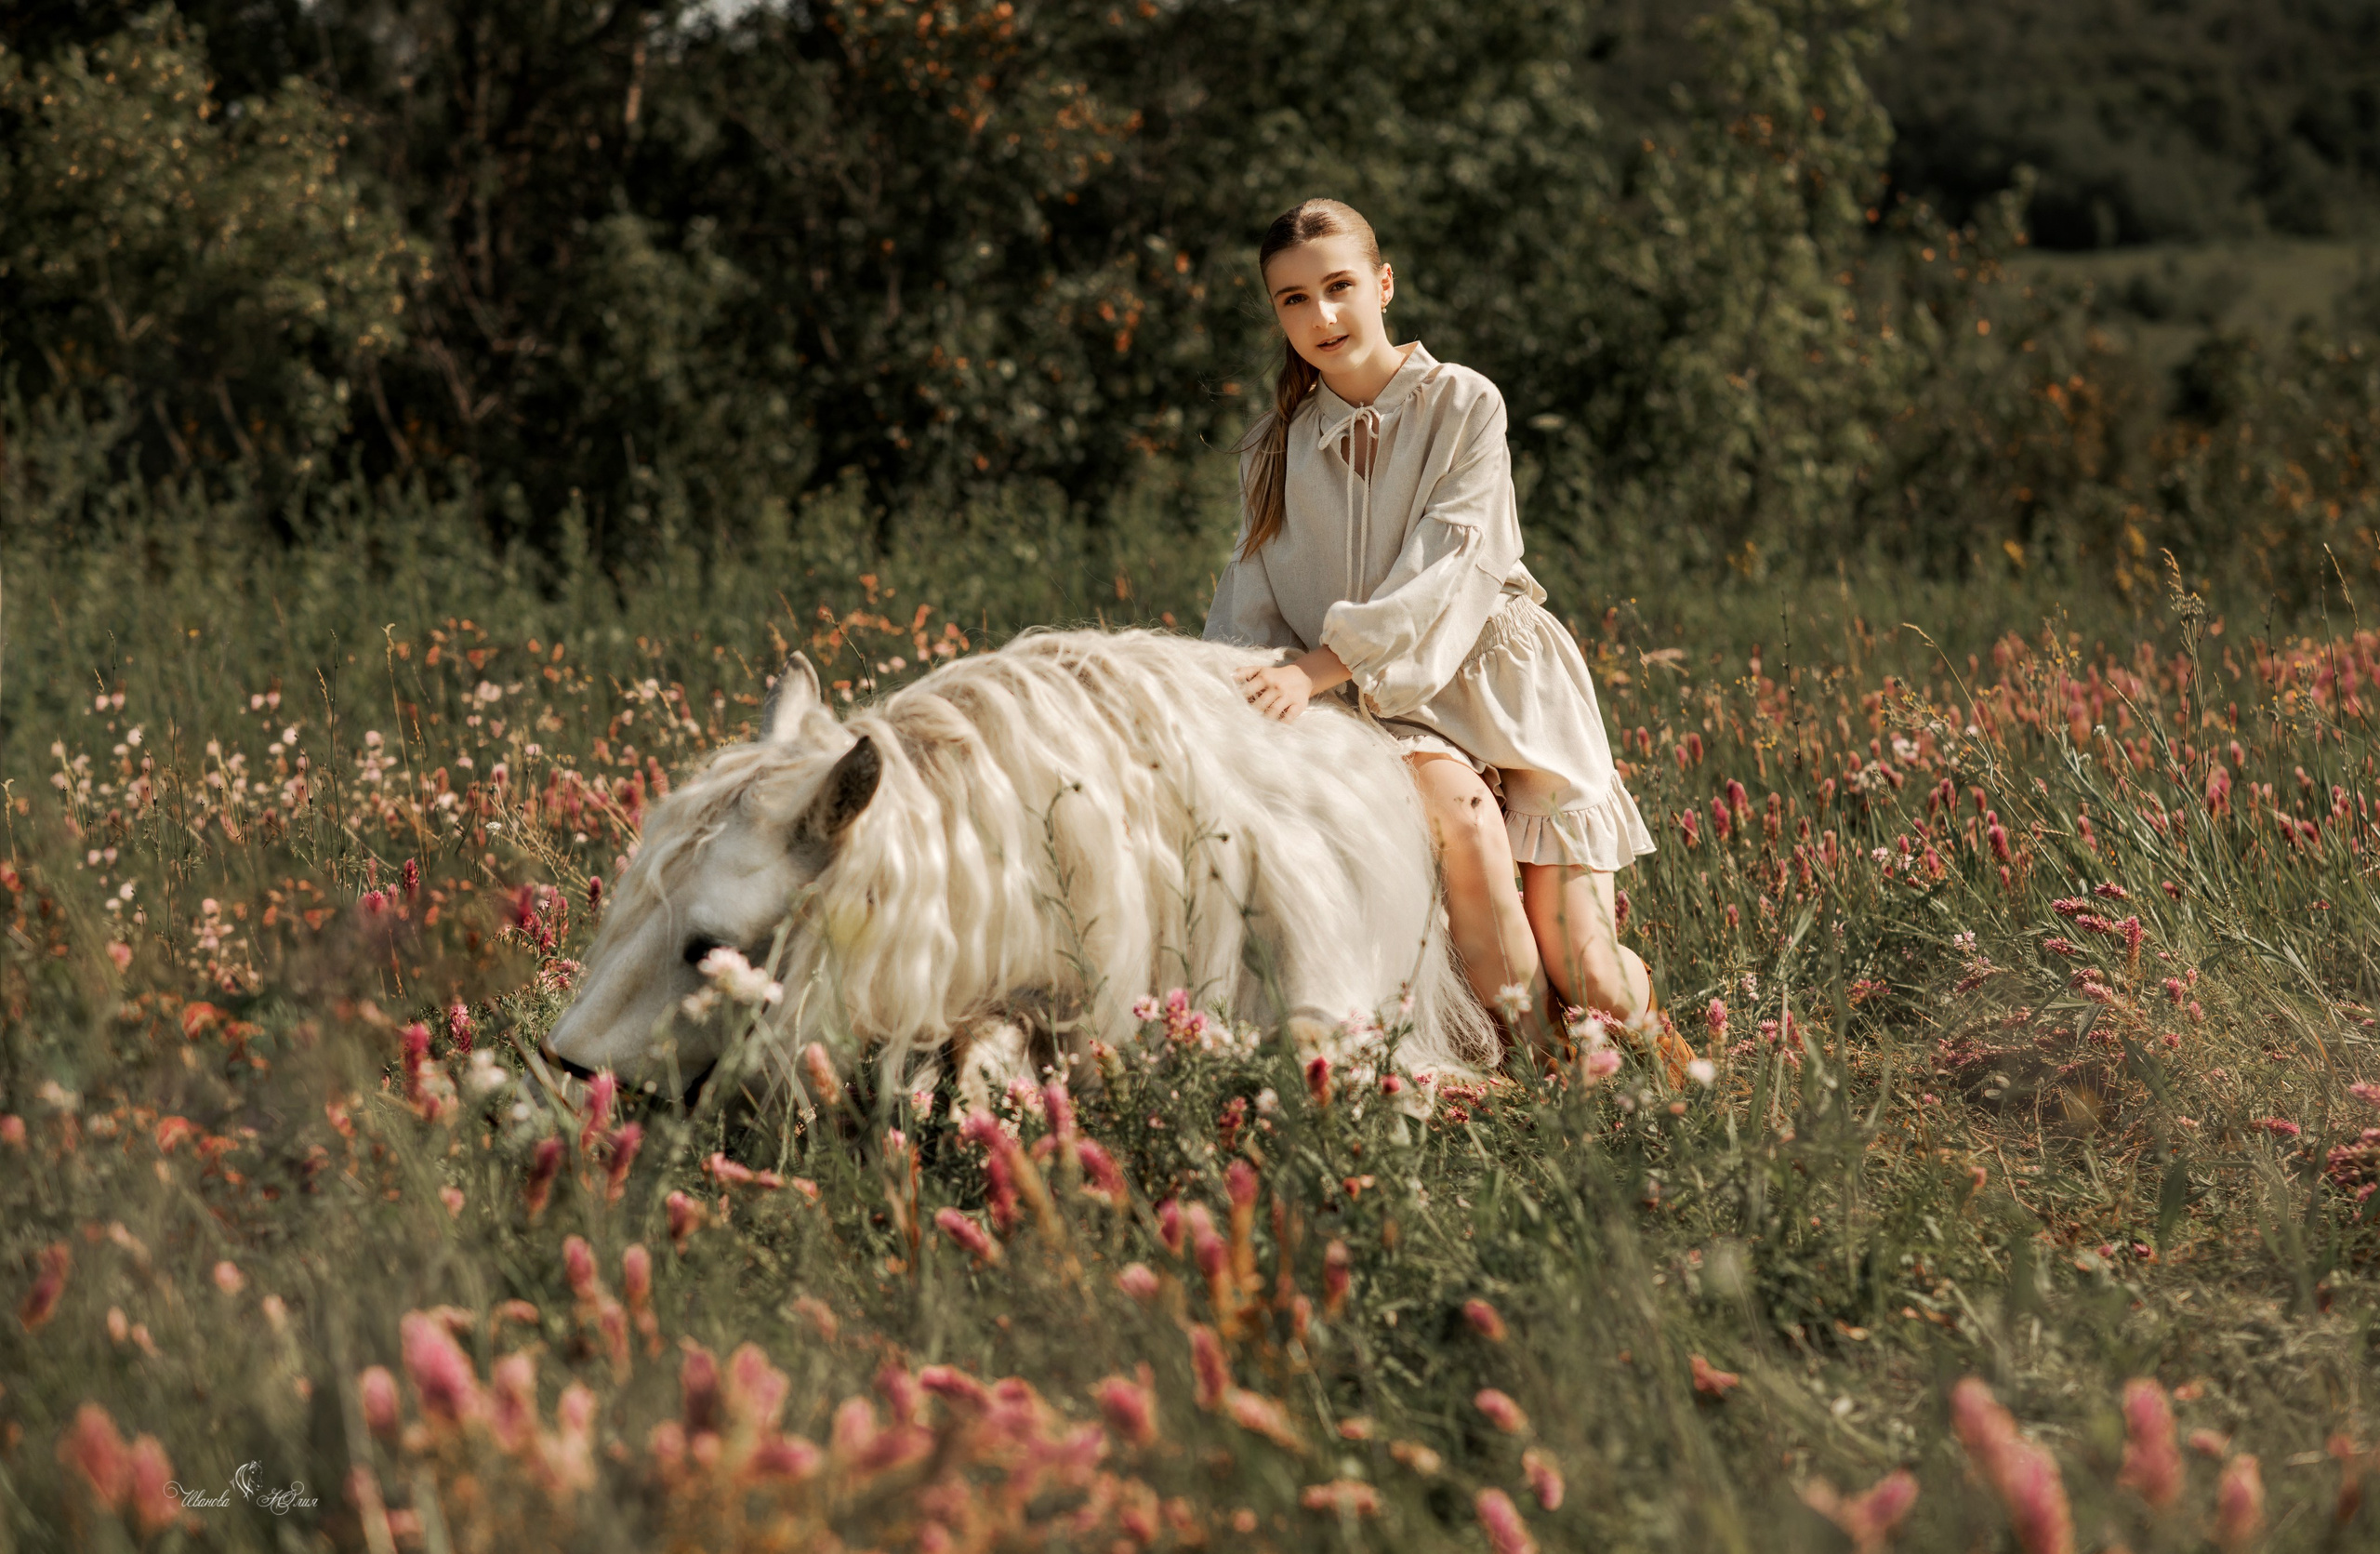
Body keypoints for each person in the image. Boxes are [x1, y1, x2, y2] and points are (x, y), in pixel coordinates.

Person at [1203, 196, 1660, 1060]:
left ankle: (1645, 1033)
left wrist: (1319, 665)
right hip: (1376, 701)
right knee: (1462, 819)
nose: (1322, 315)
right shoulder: (1274, 444)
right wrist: (1243, 690)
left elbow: (1447, 572)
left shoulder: (1463, 403)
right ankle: (1538, 1063)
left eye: (1339, 286)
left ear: (1383, 284)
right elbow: (1249, 599)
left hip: (1501, 690)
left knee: (1589, 968)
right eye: (1293, 299)